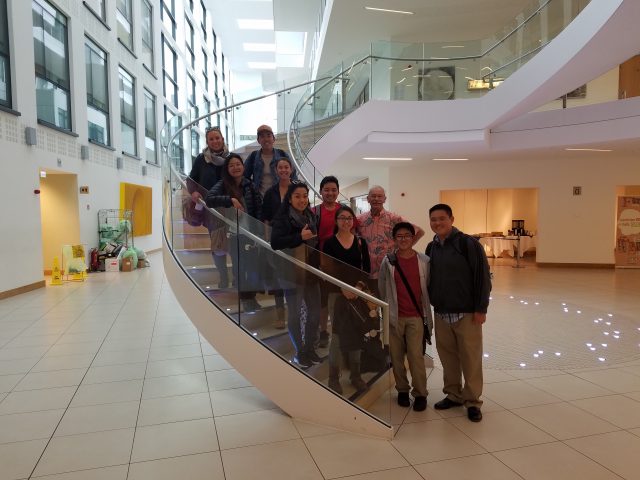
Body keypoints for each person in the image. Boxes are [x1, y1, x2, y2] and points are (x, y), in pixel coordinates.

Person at [427, 203, 491, 423]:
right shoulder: (431, 247)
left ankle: (472, 401)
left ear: (452, 219)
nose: (437, 223)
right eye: (433, 219)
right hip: (442, 312)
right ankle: (453, 394)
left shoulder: (468, 244)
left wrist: (481, 309)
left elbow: (483, 278)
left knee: (470, 358)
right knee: (448, 357)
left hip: (466, 313)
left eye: (442, 218)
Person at [378, 222, 432, 412]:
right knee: (396, 357)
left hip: (416, 317)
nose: (403, 239)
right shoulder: (388, 261)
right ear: (394, 239)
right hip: (394, 317)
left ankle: (420, 393)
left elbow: (428, 289)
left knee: (416, 357)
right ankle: (402, 390)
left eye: (407, 236)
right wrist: (385, 313)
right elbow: (382, 288)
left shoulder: (424, 261)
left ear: (413, 237)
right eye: (399, 236)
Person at [270, 182, 323, 369]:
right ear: (290, 199)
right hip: (291, 273)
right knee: (293, 314)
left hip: (311, 271)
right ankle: (300, 351)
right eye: (297, 196)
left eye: (304, 196)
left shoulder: (311, 216)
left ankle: (309, 348)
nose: (302, 200)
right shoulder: (283, 218)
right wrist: (299, 237)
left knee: (315, 313)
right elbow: (275, 243)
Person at [321, 206, 371, 393]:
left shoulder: (360, 242)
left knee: (357, 332)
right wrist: (342, 288)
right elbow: (327, 270)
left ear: (353, 221)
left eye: (349, 218)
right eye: (342, 218)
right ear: (336, 221)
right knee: (336, 336)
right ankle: (333, 377)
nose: (346, 221)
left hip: (357, 294)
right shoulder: (329, 243)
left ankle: (356, 375)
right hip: (337, 294)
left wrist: (357, 287)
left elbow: (365, 269)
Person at [205, 153, 263, 312]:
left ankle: (250, 298)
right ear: (227, 169)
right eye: (231, 165)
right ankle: (245, 299)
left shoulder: (249, 185)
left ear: (243, 167)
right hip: (234, 233)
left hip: (250, 234)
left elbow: (258, 208)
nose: (236, 167)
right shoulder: (223, 184)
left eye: (238, 164)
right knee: (239, 268)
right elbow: (209, 199)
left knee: (252, 268)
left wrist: (258, 232)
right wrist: (230, 200)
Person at [187, 126, 231, 288]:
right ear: (207, 142)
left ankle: (238, 279)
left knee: (234, 243)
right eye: (211, 139)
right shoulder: (201, 159)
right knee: (217, 244)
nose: (215, 141)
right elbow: (192, 180)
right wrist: (194, 193)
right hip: (211, 209)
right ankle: (224, 277)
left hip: (230, 207)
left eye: (217, 138)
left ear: (223, 139)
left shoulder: (231, 158)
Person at [357, 186, 425, 284]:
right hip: (365, 271)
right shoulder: (360, 219)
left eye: (379, 196)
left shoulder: (394, 218)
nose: (376, 199)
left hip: (389, 270)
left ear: (384, 199)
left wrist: (403, 249)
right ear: (368, 199)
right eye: (373, 196)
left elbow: (419, 232)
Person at [261, 157, 295, 329]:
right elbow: (266, 218)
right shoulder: (270, 192)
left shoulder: (297, 189)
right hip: (275, 239)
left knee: (292, 276)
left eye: (286, 167)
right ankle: (280, 315)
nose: (283, 170)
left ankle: (295, 314)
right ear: (276, 171)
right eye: (280, 168)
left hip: (293, 239)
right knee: (277, 278)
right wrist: (268, 239)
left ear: (291, 169)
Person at [312, 175, 346, 348]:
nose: (330, 193)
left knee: (340, 298)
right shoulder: (314, 212)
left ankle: (340, 331)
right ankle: (323, 331)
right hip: (322, 261)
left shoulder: (344, 211)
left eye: (334, 190)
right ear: (321, 192)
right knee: (323, 299)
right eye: (327, 190)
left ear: (338, 192)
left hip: (342, 262)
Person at [244, 124, 296, 196]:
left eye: (269, 136)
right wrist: (251, 189)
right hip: (260, 200)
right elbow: (244, 176)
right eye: (262, 136)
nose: (266, 139)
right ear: (258, 140)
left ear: (273, 139)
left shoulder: (282, 154)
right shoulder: (254, 156)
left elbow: (293, 175)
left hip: (280, 198)